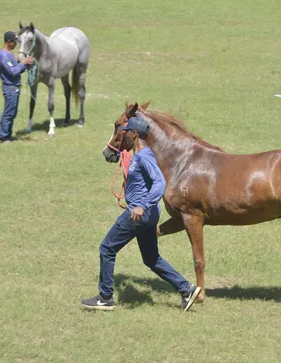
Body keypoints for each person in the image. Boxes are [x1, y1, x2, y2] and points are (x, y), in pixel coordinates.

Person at [81, 115, 201, 312]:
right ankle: (186, 289)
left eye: (126, 134)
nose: (124, 137)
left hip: (139, 213)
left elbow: (160, 183)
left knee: (107, 249)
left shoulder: (144, 156)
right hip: (148, 214)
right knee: (151, 258)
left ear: (134, 134)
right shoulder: (139, 155)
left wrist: (142, 206)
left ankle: (105, 297)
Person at [0, 31, 33, 143]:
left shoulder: (9, 54)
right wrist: (22, 63)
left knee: (12, 113)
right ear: (9, 42)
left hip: (14, 87)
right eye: (14, 42)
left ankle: (8, 134)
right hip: (10, 88)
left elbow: (17, 70)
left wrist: (25, 65)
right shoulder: (3, 55)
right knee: (8, 113)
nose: (16, 45)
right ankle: (3, 137)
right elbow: (13, 72)